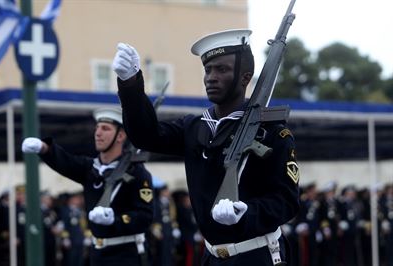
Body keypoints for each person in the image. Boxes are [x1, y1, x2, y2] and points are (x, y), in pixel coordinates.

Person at [112, 29, 300, 265]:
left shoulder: (272, 131)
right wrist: (130, 86)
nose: (211, 77)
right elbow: (146, 136)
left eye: (222, 69)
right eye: (208, 69)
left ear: (245, 77)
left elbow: (287, 200)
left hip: (257, 256)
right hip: (211, 256)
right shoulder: (195, 127)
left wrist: (248, 212)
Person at [21, 107, 154, 266]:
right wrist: (44, 148)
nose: (98, 133)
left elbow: (145, 216)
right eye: (97, 128)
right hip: (97, 253)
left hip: (127, 254)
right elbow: (66, 162)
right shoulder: (91, 168)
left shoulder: (137, 173)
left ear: (120, 136)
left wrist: (115, 219)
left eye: (105, 128)